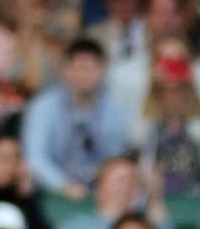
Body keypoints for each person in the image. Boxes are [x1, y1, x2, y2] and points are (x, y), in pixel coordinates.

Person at [20, 40, 130, 199]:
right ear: (65, 70)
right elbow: (35, 157)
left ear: (103, 71)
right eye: (79, 68)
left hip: (100, 193)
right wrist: (62, 184)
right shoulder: (43, 107)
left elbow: (117, 157)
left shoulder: (116, 111)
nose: (84, 75)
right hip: (52, 192)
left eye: (91, 68)